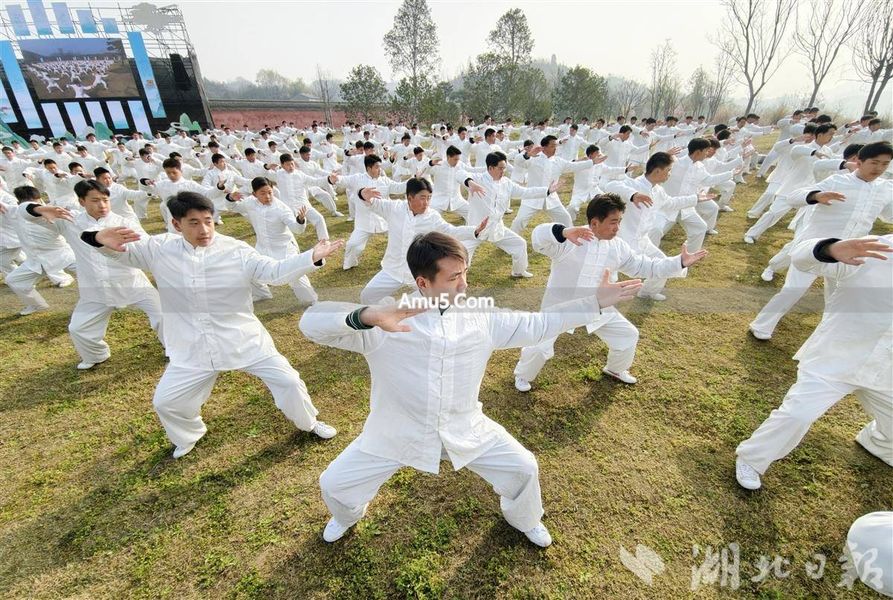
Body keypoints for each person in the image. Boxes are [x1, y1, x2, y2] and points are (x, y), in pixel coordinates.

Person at [299, 231, 643, 546]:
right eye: (454, 277)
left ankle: (524, 518)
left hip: (465, 427)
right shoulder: (387, 321)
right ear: (423, 282)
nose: (465, 284)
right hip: (395, 431)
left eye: (464, 273)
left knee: (524, 468)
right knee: (334, 484)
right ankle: (348, 514)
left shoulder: (481, 318)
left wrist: (594, 303)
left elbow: (540, 325)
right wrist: (367, 316)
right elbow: (311, 322)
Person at [87, 191, 344, 458]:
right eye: (194, 223)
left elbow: (273, 272)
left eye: (208, 221)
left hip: (243, 338)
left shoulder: (236, 250)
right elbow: (120, 254)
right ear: (177, 224)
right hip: (192, 346)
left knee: (289, 382)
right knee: (166, 402)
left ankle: (310, 423)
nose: (204, 229)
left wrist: (310, 257)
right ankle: (188, 436)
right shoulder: (159, 249)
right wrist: (97, 238)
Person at [736, 235, 892, 490]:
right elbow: (802, 259)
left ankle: (877, 442)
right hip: (836, 359)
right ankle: (752, 459)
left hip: (885, 372)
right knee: (798, 414)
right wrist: (827, 249)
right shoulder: (872, 250)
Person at [513, 194, 707, 390]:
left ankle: (615, 369)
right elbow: (538, 238)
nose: (617, 228)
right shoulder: (571, 241)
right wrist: (563, 232)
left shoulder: (618, 246)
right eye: (613, 222)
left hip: (598, 306)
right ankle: (522, 376)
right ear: (595, 223)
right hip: (561, 305)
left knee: (628, 335)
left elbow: (645, 266)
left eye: (620, 221)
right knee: (539, 345)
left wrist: (679, 262)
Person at [19, 180, 164, 369]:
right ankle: (96, 355)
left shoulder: (123, 222)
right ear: (81, 201)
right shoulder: (71, 221)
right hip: (95, 287)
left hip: (131, 282)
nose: (102, 205)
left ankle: (174, 351)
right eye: (95, 200)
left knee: (163, 316)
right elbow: (24, 212)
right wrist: (39, 209)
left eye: (105, 200)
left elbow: (145, 246)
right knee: (79, 328)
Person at [356, 177, 488, 304]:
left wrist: (474, 231)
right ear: (410, 198)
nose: (426, 203)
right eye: (422, 198)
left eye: (429, 198)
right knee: (367, 296)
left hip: (421, 273)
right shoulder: (394, 208)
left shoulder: (432, 217)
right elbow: (371, 203)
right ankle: (383, 315)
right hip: (393, 268)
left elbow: (451, 231)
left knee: (441, 300)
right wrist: (362, 193)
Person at [226, 177, 319, 305]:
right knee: (249, 269)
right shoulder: (250, 203)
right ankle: (262, 294)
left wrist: (300, 220)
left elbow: (297, 229)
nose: (268, 196)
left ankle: (311, 301)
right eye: (263, 193)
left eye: (270, 192)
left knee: (294, 274)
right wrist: (231, 198)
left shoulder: (281, 208)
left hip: (284, 247)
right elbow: (233, 207)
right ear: (254, 194)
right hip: (262, 247)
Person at [5, 185, 76, 315]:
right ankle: (37, 305)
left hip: (62, 255)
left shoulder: (49, 211)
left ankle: (113, 299)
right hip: (35, 261)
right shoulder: (14, 211)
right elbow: (6, 207)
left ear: (38, 200)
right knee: (13, 279)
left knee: (94, 273)